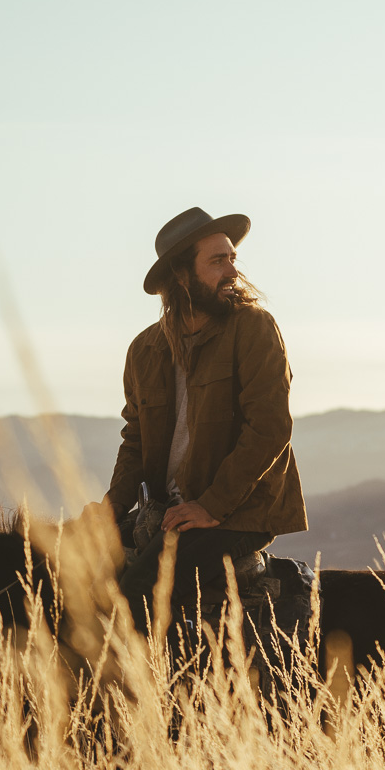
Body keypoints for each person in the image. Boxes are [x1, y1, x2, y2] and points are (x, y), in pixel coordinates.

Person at [105, 207, 308, 628]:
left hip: (239, 512)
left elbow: (269, 429)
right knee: (66, 573)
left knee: (138, 598)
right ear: (181, 277)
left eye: (232, 258)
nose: (232, 270)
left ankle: (156, 694)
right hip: (169, 511)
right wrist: (112, 508)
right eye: (218, 261)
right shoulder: (144, 350)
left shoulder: (254, 328)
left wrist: (211, 506)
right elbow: (136, 440)